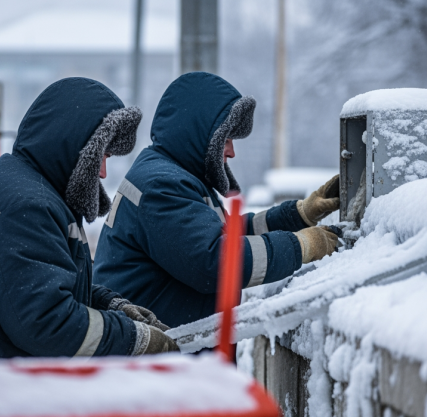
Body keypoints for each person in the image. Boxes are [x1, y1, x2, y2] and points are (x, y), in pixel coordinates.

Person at [0, 77, 178, 360]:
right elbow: (47, 322)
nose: (103, 172)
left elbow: (37, 285)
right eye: (101, 156)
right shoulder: (27, 207)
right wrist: (133, 338)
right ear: (78, 146)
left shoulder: (18, 186)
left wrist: (109, 305)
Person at [92, 72, 340, 329]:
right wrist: (302, 246)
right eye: (226, 139)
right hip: (161, 349)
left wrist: (298, 215)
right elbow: (214, 262)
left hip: (167, 344)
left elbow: (226, 234)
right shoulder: (161, 186)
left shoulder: (171, 176)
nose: (231, 152)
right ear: (200, 133)